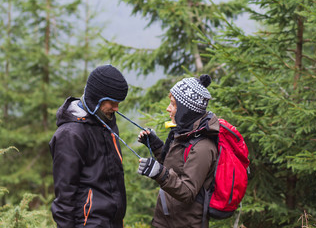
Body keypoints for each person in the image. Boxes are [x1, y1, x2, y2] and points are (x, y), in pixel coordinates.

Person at [49, 65, 128, 228]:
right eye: (112, 102)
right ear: (96, 98)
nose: (116, 108)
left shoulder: (107, 122)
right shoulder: (70, 134)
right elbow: (64, 198)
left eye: (118, 103)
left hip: (113, 223)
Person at [137, 74, 219, 228]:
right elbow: (173, 167)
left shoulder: (203, 147)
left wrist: (158, 173)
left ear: (186, 109)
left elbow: (187, 191)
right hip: (165, 220)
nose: (168, 108)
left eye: (173, 104)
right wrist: (155, 145)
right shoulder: (184, 133)